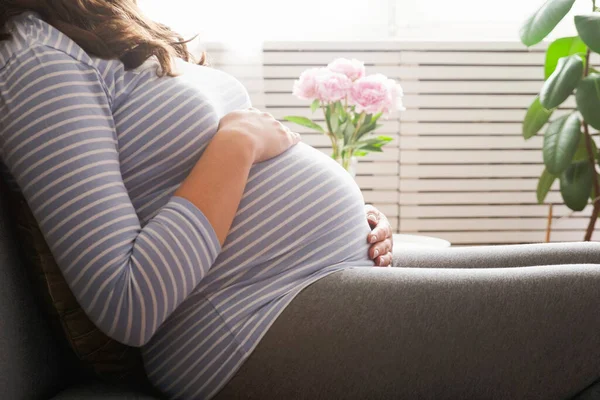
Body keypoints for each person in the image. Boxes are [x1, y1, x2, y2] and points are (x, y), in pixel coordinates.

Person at [1, 2, 599, 400]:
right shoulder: (33, 58)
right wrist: (236, 144)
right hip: (249, 319)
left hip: (311, 278)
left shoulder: (94, 26)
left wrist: (345, 219)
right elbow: (127, 301)